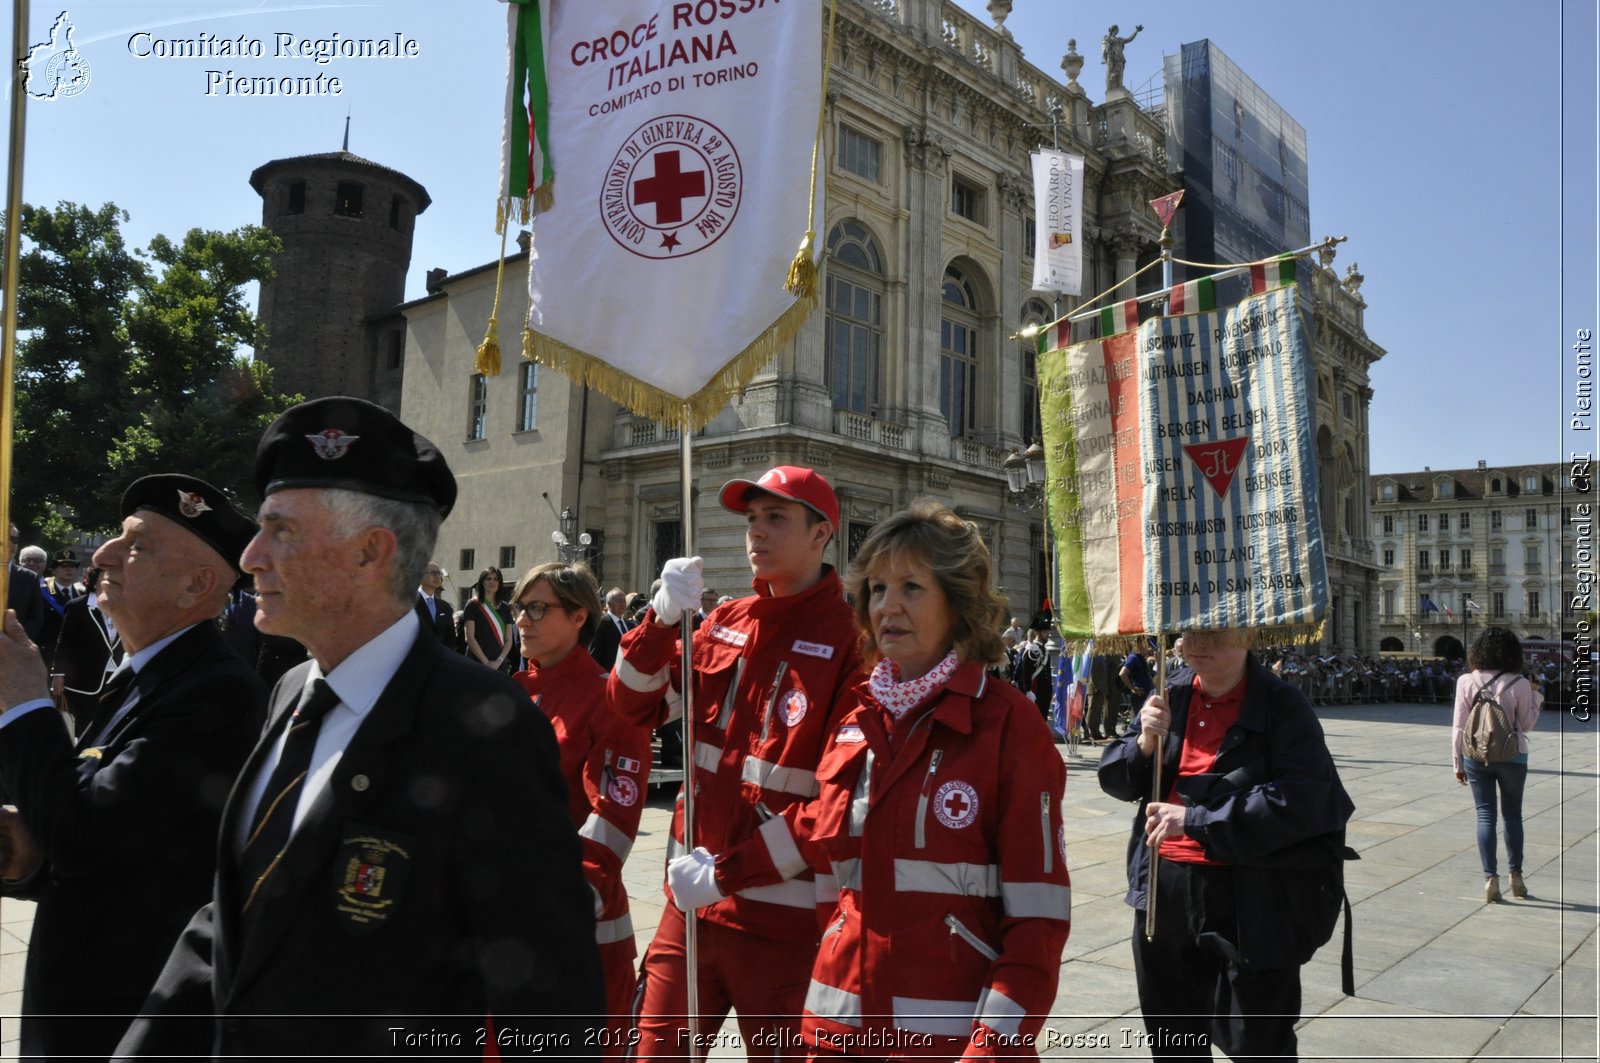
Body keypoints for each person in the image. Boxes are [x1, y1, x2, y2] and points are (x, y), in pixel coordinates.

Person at [115, 396, 603, 1059]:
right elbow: (231, 924)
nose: (252, 555)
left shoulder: (483, 728)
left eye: (282, 531)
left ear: (373, 551)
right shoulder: (292, 690)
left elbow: (551, 1009)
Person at [677, 500, 1072, 1058]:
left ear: (959, 604)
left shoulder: (1007, 725)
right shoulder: (855, 721)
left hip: (945, 1042)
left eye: (912, 587)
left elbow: (1039, 918)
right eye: (878, 589)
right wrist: (725, 872)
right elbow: (822, 858)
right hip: (833, 1033)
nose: (888, 606)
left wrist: (993, 1049)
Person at [0, 474, 265, 1061]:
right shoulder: (148, 672)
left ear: (197, 584)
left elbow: (85, 838)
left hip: (127, 1014)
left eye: (136, 546)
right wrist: (28, 852)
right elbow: (116, 838)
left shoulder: (215, 693)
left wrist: (25, 702)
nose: (102, 555)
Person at [609, 464, 862, 1062]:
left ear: (822, 533)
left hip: (782, 922)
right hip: (690, 909)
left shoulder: (853, 640)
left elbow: (836, 805)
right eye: (751, 518)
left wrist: (730, 872)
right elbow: (629, 705)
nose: (756, 532)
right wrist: (661, 620)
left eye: (776, 518)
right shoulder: (724, 622)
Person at [1098, 627, 1355, 1061]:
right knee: (1174, 1038)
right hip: (1165, 890)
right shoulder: (1169, 693)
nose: (1197, 644)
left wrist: (1196, 820)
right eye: (1190, 634)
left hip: (1254, 896)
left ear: (1248, 637)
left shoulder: (1282, 705)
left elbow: (1304, 800)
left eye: (1215, 635)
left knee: (1258, 1042)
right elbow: (1116, 780)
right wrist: (1142, 744)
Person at [509, 563, 653, 1055]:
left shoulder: (608, 699)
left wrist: (567, 899)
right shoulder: (509, 694)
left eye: (536, 608)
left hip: (576, 931)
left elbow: (614, 814)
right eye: (518, 609)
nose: (522, 621)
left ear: (578, 616)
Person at [1452, 627, 1542, 903]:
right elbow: (1526, 724)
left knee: (1485, 816)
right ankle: (1516, 875)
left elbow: (1459, 726)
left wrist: (1457, 762)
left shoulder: (1466, 681)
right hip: (1513, 755)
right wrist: (1537, 695)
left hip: (1476, 756)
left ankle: (1491, 879)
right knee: (1513, 816)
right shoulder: (1521, 683)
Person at [49, 566, 122, 737]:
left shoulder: (125, 605)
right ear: (94, 581)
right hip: (85, 679)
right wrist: (58, 673)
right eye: (106, 577)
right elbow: (65, 642)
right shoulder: (78, 606)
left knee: (110, 724)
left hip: (116, 675)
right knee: (85, 726)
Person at [461, 565, 517, 673]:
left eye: (496, 579)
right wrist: (486, 662)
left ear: (500, 583)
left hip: (499, 664)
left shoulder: (505, 607)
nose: (492, 582)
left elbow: (509, 640)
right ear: (482, 582)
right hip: (477, 662)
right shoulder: (473, 604)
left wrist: (499, 661)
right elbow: (469, 638)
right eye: (488, 578)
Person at [6, 524, 45, 643]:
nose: (10, 543)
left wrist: (18, 640)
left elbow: (35, 618)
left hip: (14, 650)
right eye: (5, 537)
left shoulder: (29, 578)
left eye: (14, 539)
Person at [588, 586, 633, 672]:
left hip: (627, 676)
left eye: (624, 601)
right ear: (609, 604)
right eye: (619, 601)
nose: (623, 604)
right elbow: (594, 654)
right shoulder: (601, 623)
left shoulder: (630, 625)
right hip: (608, 675)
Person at [413, 560, 456, 645]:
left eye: (439, 573)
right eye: (432, 573)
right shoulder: (409, 603)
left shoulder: (445, 607)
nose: (437, 576)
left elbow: (450, 639)